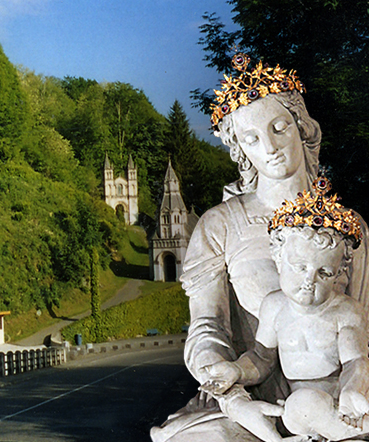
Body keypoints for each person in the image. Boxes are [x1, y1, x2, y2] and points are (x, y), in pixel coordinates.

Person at [151, 55, 369, 442]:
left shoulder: (348, 227)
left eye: (279, 127)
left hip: (341, 396)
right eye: (251, 138)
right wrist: (235, 400)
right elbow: (207, 329)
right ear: (240, 150)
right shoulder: (220, 225)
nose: (269, 147)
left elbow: (363, 326)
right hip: (252, 397)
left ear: (301, 127)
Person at [201, 177, 369, 441]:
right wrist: (236, 371)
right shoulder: (275, 306)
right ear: (278, 259)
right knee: (300, 406)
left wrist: (351, 391)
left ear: (338, 275)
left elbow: (354, 362)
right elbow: (261, 358)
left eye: (323, 272)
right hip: (299, 410)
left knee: (311, 406)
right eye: (299, 267)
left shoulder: (346, 312)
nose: (308, 281)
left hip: (344, 404)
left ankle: (348, 430)